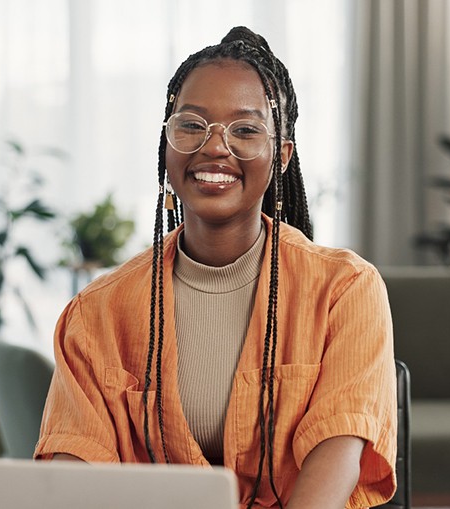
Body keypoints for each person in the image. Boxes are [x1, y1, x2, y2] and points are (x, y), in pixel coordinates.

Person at [35, 26, 397, 509]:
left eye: (245, 129)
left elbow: (336, 454)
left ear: (280, 156)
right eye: (192, 125)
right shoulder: (97, 312)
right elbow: (74, 473)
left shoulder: (346, 291)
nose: (215, 147)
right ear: (167, 144)